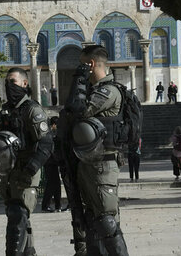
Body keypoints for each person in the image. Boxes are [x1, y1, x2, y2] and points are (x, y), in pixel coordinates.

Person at [60, 44, 129, 255]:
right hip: (87, 164)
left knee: (107, 222)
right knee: (91, 222)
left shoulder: (109, 91)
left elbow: (79, 111)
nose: (79, 70)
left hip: (102, 166)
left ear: (90, 64)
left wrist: (78, 80)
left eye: (82, 65)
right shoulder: (95, 90)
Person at [0, 68, 53, 254]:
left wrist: (32, 168)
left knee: (17, 217)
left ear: (24, 84)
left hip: (25, 172)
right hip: (8, 173)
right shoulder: (5, 112)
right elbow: (0, 142)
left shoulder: (32, 109)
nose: (8, 86)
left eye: (13, 82)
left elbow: (46, 143)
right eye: (6, 82)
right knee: (20, 219)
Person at [42, 116, 64, 212]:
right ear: (54, 125)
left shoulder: (51, 134)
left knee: (56, 184)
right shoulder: (49, 134)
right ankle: (46, 205)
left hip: (52, 162)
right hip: (50, 162)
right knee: (51, 184)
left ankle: (57, 205)